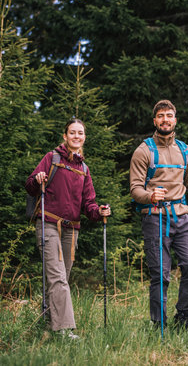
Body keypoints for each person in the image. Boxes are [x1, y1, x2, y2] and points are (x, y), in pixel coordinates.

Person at [130, 100, 188, 331]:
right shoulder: (143, 150)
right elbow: (135, 189)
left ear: (175, 120)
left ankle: (183, 317)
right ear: (155, 121)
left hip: (183, 216)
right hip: (154, 216)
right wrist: (150, 195)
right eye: (161, 116)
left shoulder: (185, 150)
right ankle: (158, 323)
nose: (165, 119)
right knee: (161, 273)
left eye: (169, 115)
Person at [25, 118, 111, 339]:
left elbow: (88, 203)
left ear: (84, 137)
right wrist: (38, 178)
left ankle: (46, 323)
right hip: (48, 223)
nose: (76, 136)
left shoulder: (84, 168)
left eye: (80, 133)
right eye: (72, 132)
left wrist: (99, 212)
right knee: (58, 278)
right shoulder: (51, 158)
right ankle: (64, 330)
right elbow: (30, 185)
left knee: (59, 277)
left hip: (71, 229)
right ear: (65, 136)